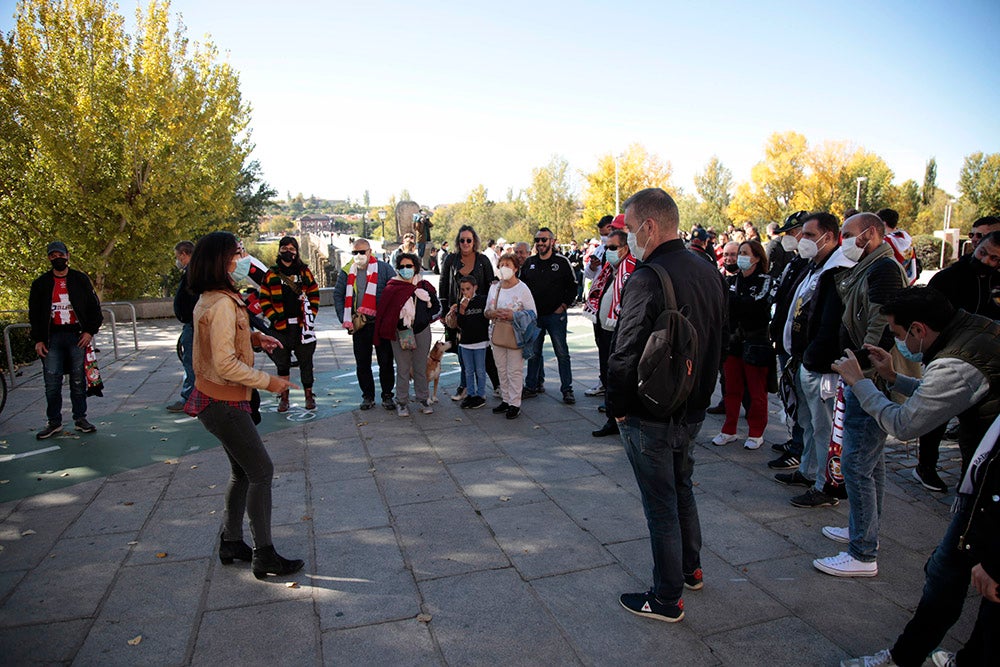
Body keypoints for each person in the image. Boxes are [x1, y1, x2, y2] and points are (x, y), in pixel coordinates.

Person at [609, 188, 727, 623]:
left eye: (629, 228)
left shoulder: (648, 276)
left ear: (650, 226)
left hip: (652, 410)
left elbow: (624, 351)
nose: (627, 237)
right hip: (692, 406)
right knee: (681, 488)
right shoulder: (707, 268)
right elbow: (719, 336)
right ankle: (690, 568)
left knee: (660, 502)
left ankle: (666, 597)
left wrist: (618, 406)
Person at [183, 231, 302, 579]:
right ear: (219, 261)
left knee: (242, 472)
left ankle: (232, 541)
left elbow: (219, 340)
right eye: (235, 255)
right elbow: (224, 364)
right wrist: (270, 382)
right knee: (261, 471)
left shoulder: (213, 298)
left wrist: (252, 337)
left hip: (216, 399)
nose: (242, 261)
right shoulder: (220, 303)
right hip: (223, 401)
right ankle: (264, 555)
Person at [840, 412, 1000, 667]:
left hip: (987, 511)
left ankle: (910, 657)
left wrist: (995, 563)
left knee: (956, 584)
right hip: (980, 501)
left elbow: (909, 420)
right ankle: (921, 656)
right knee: (945, 577)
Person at [812, 212, 906, 578]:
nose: (846, 240)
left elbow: (881, 326)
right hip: (862, 375)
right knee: (871, 462)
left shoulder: (882, 269)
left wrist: (859, 368)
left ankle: (863, 553)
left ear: (870, 233)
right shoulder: (870, 265)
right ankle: (864, 531)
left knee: (855, 463)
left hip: (866, 377)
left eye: (849, 234)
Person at [774, 213, 856, 508]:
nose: (802, 240)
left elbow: (830, 323)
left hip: (819, 364)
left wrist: (811, 358)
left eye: (809, 235)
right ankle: (808, 471)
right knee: (809, 422)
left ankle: (825, 485)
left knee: (823, 428)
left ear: (830, 237)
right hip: (803, 358)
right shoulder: (815, 266)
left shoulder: (838, 270)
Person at [914, 229, 1000, 492]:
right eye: (983, 252)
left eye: (994, 258)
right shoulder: (949, 277)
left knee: (973, 424)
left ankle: (970, 476)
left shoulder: (994, 282)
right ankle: (926, 466)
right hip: (947, 354)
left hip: (982, 362)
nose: (985, 260)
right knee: (936, 413)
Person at [29, 241, 103, 439]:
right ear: (49, 259)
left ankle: (80, 418)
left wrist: (89, 331)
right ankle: (54, 422)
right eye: (53, 256)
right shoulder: (40, 284)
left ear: (68, 256)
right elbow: (34, 315)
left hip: (76, 336)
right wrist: (38, 340)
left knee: (78, 380)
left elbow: (95, 309)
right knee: (52, 381)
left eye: (60, 255)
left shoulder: (80, 280)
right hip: (52, 338)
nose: (57, 259)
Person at [711, 240, 772, 450]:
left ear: (756, 257)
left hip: (756, 342)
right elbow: (724, 307)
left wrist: (736, 303)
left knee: (756, 391)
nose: (740, 257)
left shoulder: (765, 280)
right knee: (731, 388)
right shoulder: (731, 281)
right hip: (733, 342)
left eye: (744, 253)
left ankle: (756, 432)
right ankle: (729, 430)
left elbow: (758, 307)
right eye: (740, 253)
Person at [766, 212, 810, 466]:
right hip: (785, 341)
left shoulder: (812, 264)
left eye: (792, 233)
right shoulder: (797, 262)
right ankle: (795, 439)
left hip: (799, 346)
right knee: (791, 395)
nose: (789, 239)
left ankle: (800, 449)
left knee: (803, 401)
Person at [333, 238, 396, 411]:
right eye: (355, 252)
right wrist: (345, 318)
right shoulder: (347, 271)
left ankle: (387, 395)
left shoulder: (384, 269)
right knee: (362, 362)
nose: (359, 255)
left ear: (370, 252)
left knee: (386, 361)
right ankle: (367, 396)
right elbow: (338, 295)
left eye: (362, 252)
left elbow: (395, 291)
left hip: (380, 324)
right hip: (359, 325)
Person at [257, 236, 320, 411]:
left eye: (292, 249)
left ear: (297, 251)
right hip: (280, 327)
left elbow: (314, 293)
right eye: (284, 248)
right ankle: (284, 397)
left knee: (306, 361)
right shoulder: (271, 274)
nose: (288, 252)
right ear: (279, 250)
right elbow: (264, 298)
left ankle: (309, 395)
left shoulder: (304, 271)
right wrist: (274, 318)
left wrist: (310, 315)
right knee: (282, 363)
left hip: (301, 326)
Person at [374, 253, 440, 417]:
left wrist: (424, 320)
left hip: (422, 332)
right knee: (403, 368)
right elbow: (385, 313)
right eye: (402, 266)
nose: (405, 269)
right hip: (400, 333)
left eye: (409, 266)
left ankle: (423, 399)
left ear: (416, 267)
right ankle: (402, 402)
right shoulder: (392, 288)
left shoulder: (424, 287)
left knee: (419, 367)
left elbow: (437, 307)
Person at [584, 228, 635, 436]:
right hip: (604, 330)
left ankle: (624, 420)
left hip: (621, 333)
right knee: (607, 374)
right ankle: (611, 419)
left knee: (620, 377)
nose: (608, 251)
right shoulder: (607, 270)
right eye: (607, 248)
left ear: (625, 249)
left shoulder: (632, 270)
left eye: (613, 248)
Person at [438, 225, 498, 401]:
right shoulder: (451, 259)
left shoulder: (483, 260)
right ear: (458, 242)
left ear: (474, 242)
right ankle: (465, 386)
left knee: (484, 350)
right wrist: (444, 309)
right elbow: (443, 284)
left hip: (478, 314)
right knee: (461, 351)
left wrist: (488, 308)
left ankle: (497, 385)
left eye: (469, 240)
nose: (465, 243)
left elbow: (490, 285)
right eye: (462, 240)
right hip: (457, 313)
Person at [520, 227, 578, 404]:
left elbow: (573, 286)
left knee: (562, 353)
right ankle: (531, 386)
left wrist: (563, 305)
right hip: (535, 317)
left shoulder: (562, 262)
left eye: (544, 240)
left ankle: (567, 389)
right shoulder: (529, 262)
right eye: (537, 240)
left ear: (552, 241)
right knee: (533, 353)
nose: (540, 243)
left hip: (555, 316)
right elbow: (521, 287)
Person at [485, 252, 536, 419]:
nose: (504, 268)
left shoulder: (523, 288)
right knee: (501, 368)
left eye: (508, 265)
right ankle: (505, 399)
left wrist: (513, 316)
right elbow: (486, 312)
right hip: (497, 332)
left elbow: (532, 314)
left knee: (514, 370)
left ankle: (515, 403)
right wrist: (493, 313)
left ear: (516, 268)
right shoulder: (495, 287)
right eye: (502, 264)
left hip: (516, 334)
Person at [450, 276, 489, 409]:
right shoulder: (461, 303)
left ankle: (481, 395)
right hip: (465, 342)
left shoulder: (482, 300)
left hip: (480, 341)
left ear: (475, 287)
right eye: (463, 290)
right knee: (468, 370)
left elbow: (486, 317)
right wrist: (461, 310)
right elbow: (460, 324)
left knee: (480, 369)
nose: (466, 292)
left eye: (468, 289)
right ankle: (470, 394)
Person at [167, 240, 197, 412]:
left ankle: (189, 398)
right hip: (191, 323)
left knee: (190, 362)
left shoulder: (193, 273)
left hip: (192, 325)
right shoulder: (193, 271)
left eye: (178, 256)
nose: (177, 260)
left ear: (184, 255)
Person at [879, 208, 919, 286]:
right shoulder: (907, 238)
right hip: (907, 280)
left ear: (883, 223)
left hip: (890, 280)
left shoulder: (885, 242)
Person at [583, 215, 615, 286]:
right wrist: (592, 267)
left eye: (606, 234)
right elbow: (588, 275)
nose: (604, 238)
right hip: (598, 290)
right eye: (601, 235)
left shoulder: (623, 250)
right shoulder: (599, 250)